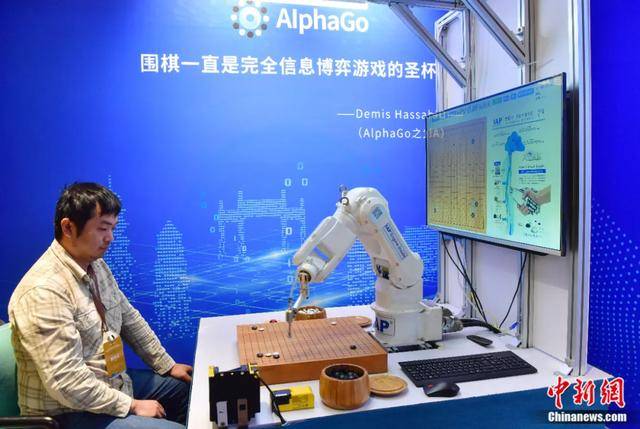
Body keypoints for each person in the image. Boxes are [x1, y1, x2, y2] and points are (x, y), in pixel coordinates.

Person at [8, 182, 192, 429]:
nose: (110, 238)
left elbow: (128, 317)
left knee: (184, 390)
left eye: (112, 228)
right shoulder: (44, 291)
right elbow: (66, 383)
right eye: (103, 228)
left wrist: (166, 365)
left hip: (109, 383)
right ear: (68, 227)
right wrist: (132, 405)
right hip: (67, 412)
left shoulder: (95, 264)